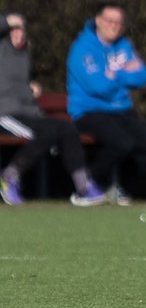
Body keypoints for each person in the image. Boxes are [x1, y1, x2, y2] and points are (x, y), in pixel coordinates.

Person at [67, 1, 146, 204]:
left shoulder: (124, 46)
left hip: (121, 111)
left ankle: (124, 188)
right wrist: (125, 73)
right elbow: (98, 86)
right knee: (122, 143)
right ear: (98, 21)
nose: (114, 26)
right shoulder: (83, 49)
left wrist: (115, 74)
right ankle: (87, 185)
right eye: (109, 21)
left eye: (119, 22)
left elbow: (142, 76)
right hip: (90, 111)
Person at [1, 12, 107, 206]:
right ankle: (9, 177)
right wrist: (7, 21)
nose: (18, 34)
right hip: (5, 114)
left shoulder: (24, 55)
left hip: (29, 113)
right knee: (47, 133)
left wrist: (29, 86)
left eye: (21, 30)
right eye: (13, 30)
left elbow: (13, 81)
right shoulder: (2, 48)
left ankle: (84, 186)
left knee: (67, 129)